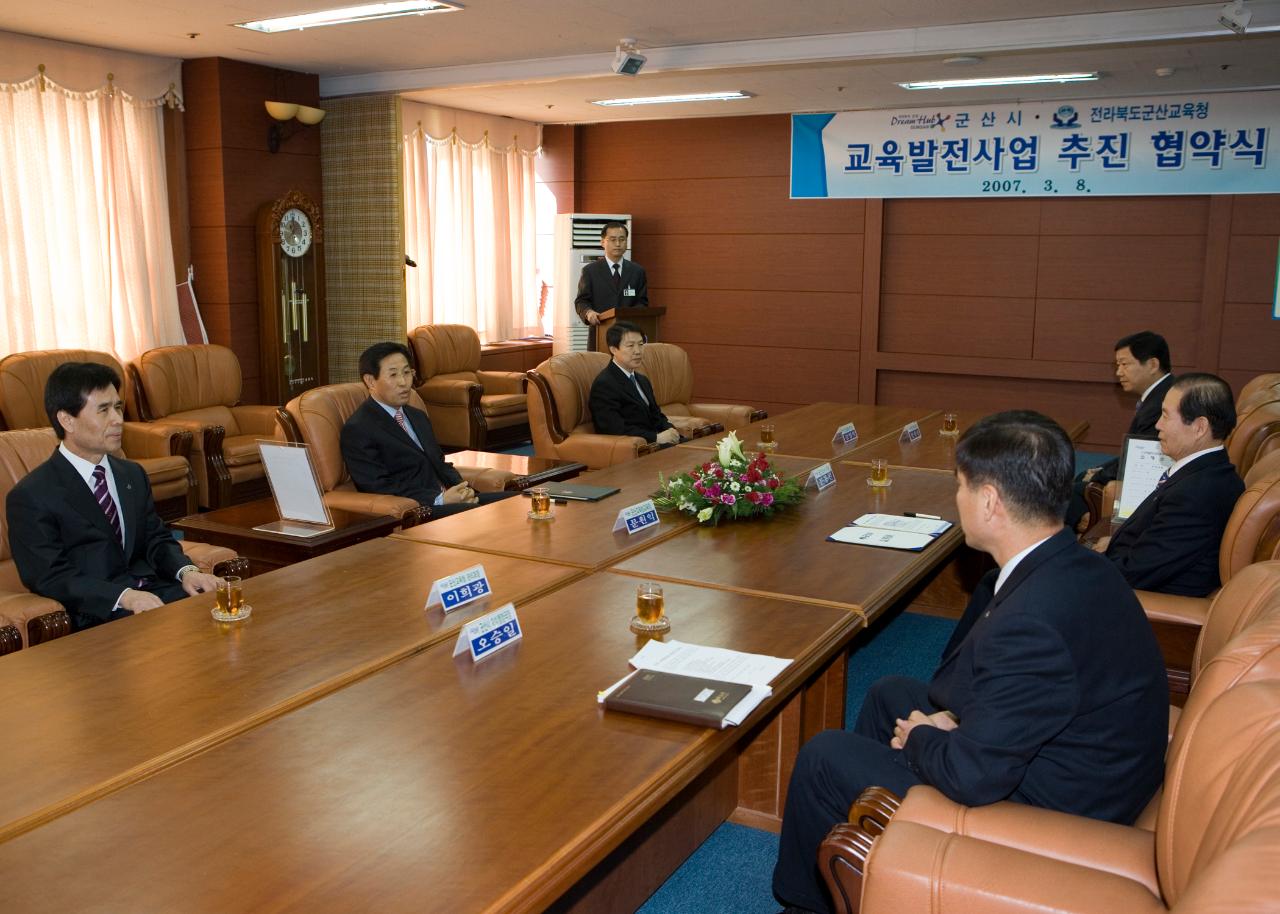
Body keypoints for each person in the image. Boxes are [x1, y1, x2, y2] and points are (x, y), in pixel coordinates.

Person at [772, 411, 1167, 914]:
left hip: (1061, 804)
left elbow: (975, 777)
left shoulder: (1031, 623)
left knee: (824, 756)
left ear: (988, 501)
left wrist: (924, 738)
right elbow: (1029, 695)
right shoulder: (1078, 563)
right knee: (888, 692)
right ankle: (879, 863)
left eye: (959, 486)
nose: (955, 498)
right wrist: (946, 723)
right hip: (1078, 754)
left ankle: (806, 905)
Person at [6, 362, 222, 632]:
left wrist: (187, 572)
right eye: (103, 410)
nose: (118, 419)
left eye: (118, 407)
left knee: (227, 615)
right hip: (99, 613)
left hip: (156, 595)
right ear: (66, 420)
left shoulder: (131, 474)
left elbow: (156, 538)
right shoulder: (32, 495)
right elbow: (49, 576)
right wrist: (123, 597)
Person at [1104, 372, 1244, 596]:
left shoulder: (1198, 493)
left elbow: (1134, 572)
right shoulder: (1205, 472)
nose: (1158, 425)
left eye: (1166, 416)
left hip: (1146, 607)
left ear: (1199, 427)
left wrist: (1087, 564)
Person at [340, 342, 516, 518]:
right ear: (370, 381)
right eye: (393, 375)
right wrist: (439, 499)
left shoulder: (416, 415)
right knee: (481, 516)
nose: (403, 382)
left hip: (450, 499)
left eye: (407, 373)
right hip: (419, 509)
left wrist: (463, 489)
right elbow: (378, 486)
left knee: (518, 501)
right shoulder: (358, 428)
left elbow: (439, 463)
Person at [1066, 330, 1173, 530]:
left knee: (1067, 494)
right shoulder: (1162, 393)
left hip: (1149, 483)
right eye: (1117, 365)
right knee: (1081, 479)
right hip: (1143, 471)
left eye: (1125, 364)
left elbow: (1143, 459)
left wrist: (1099, 476)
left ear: (1152, 365)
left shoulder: (1162, 403)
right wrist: (1099, 471)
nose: (1119, 372)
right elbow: (1134, 451)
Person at [588, 321, 680, 446]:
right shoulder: (605, 384)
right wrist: (656, 437)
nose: (638, 351)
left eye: (641, 344)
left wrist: (670, 429)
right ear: (614, 349)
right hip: (640, 449)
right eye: (630, 346)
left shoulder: (642, 380)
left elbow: (656, 415)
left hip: (658, 443)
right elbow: (614, 429)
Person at [574, 221, 648, 351]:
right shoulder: (590, 271)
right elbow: (581, 301)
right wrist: (588, 313)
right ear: (603, 242)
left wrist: (632, 316)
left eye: (622, 239)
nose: (618, 244)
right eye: (613, 239)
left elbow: (642, 303)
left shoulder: (637, 271)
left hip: (629, 337)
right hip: (600, 334)